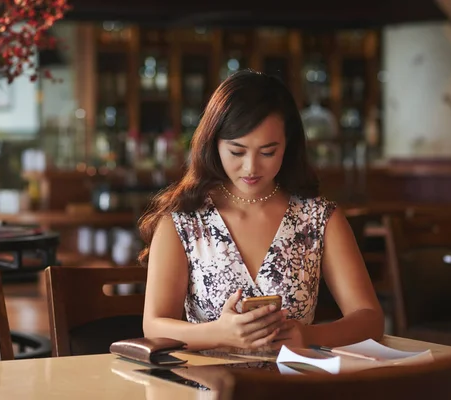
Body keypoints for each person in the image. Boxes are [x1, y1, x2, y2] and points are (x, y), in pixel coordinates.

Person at [139, 69, 383, 351]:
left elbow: (370, 319)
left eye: (267, 152)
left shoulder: (318, 218)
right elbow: (155, 324)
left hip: (295, 385)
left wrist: (308, 337)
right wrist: (220, 333)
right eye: (237, 152)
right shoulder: (184, 220)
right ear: (213, 143)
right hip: (211, 388)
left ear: (288, 145)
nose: (251, 168)